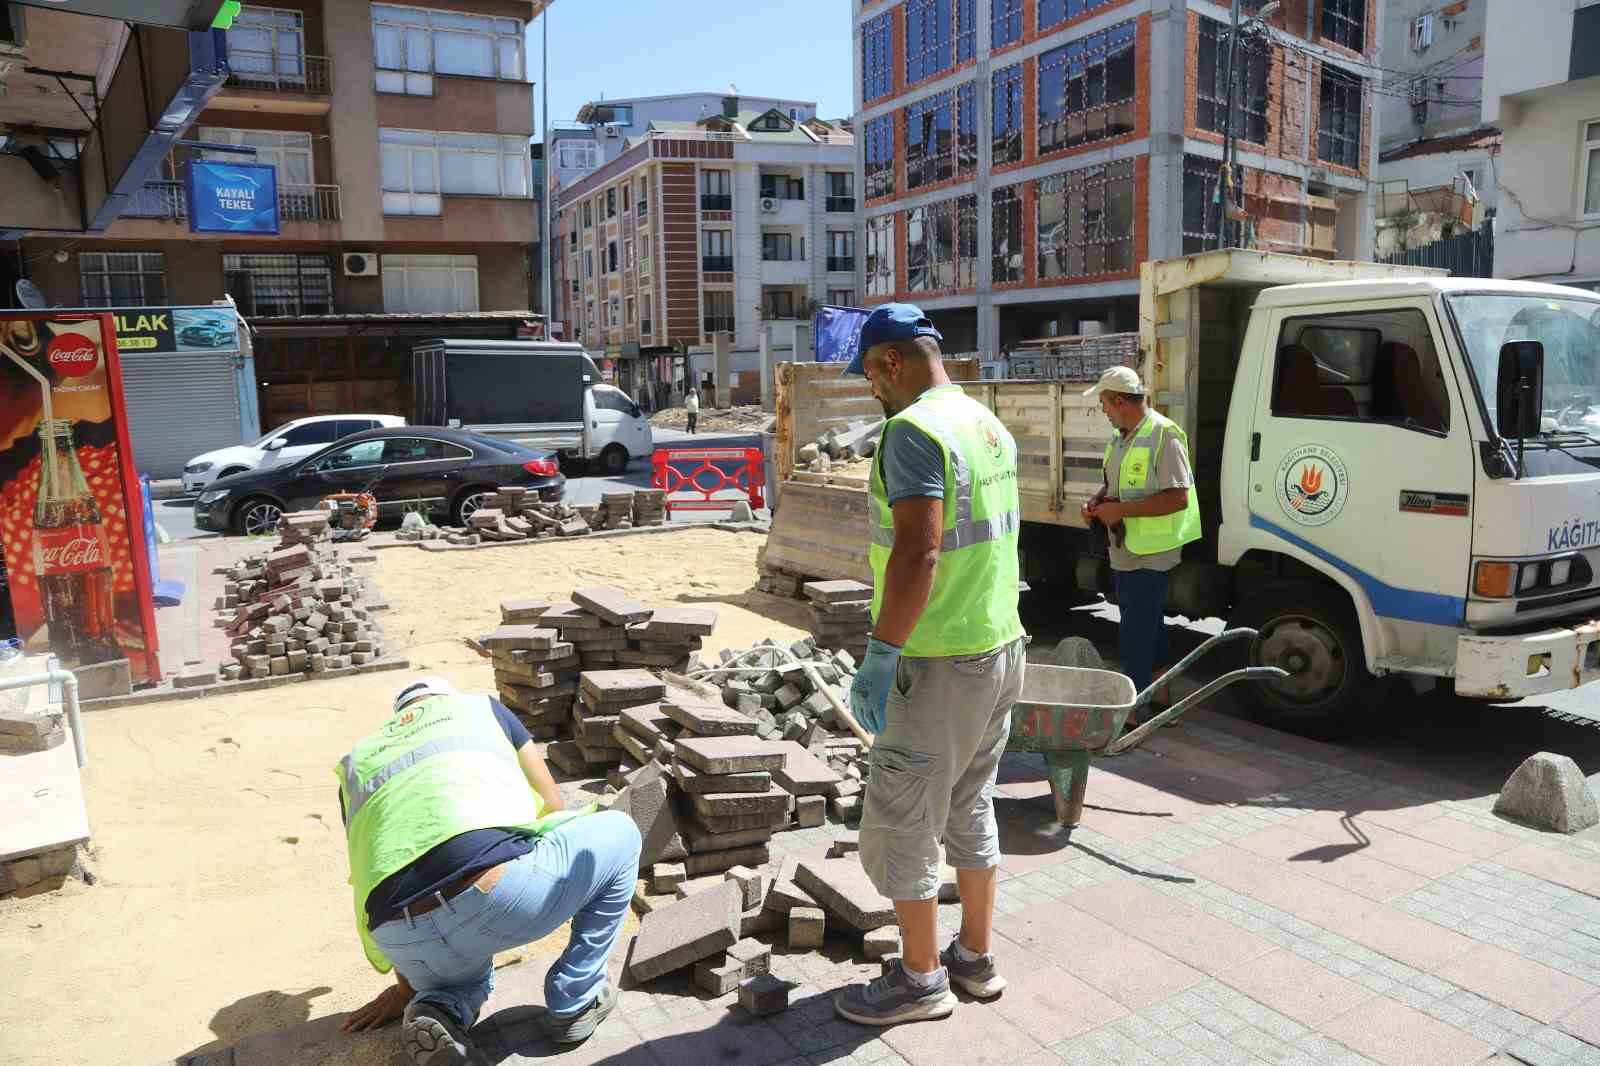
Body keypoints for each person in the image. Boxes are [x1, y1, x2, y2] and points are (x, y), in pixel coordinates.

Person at [834, 303, 1026, 1027]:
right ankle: (973, 959)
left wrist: (883, 653)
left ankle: (919, 981)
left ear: (890, 364)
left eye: (871, 379)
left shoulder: (912, 431)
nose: (873, 393)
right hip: (1000, 644)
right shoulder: (984, 422)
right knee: (970, 802)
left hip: (939, 656)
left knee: (905, 817)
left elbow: (920, 549)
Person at [337, 675, 641, 1064]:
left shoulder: (356, 761)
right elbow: (553, 804)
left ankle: (439, 1008)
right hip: (496, 898)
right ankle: (576, 999)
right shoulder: (482, 708)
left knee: (461, 978)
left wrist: (405, 989)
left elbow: (370, 872)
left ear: (399, 717)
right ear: (445, 699)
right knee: (621, 832)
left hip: (399, 936)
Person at [1080, 365, 1201, 706]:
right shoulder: (1121, 436)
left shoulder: (1165, 434)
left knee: (1135, 629)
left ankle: (1130, 710)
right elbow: (1115, 484)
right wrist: (1098, 501)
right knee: (1147, 622)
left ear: (1119, 401)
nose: (1102, 410)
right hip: (1126, 547)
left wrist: (1120, 512)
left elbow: (1179, 497)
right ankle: (1161, 695)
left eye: (1104, 402)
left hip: (1152, 550)